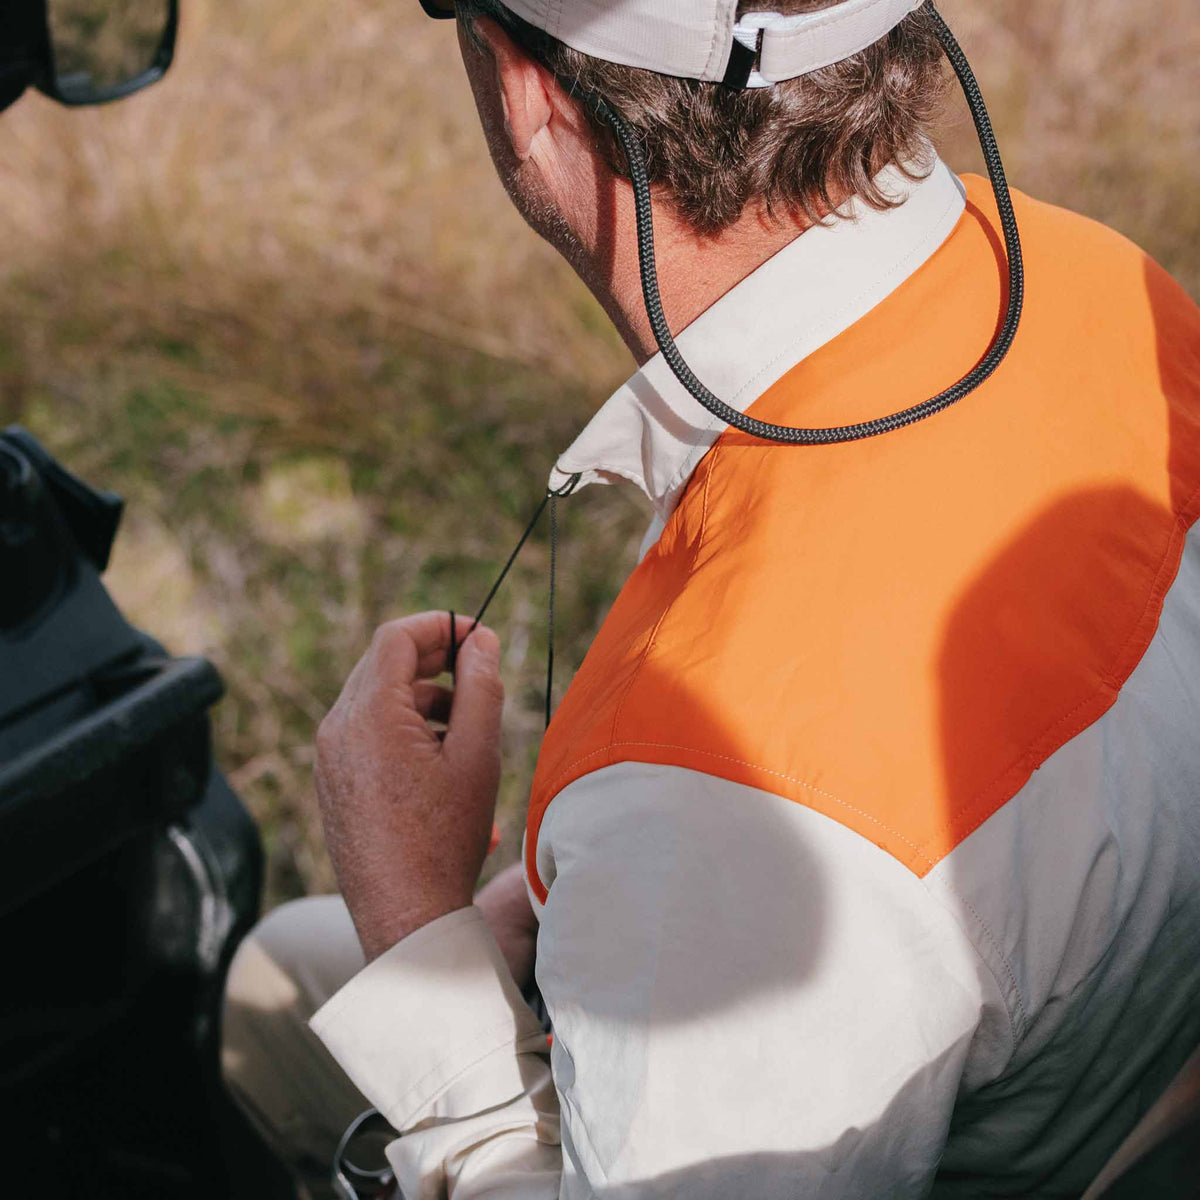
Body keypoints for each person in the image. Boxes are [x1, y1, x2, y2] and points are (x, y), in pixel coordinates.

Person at [222, 1, 1200, 1197]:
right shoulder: (1094, 276)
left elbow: (748, 826)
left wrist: (419, 936)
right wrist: (598, 905)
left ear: (530, 91)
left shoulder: (716, 805)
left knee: (275, 991)